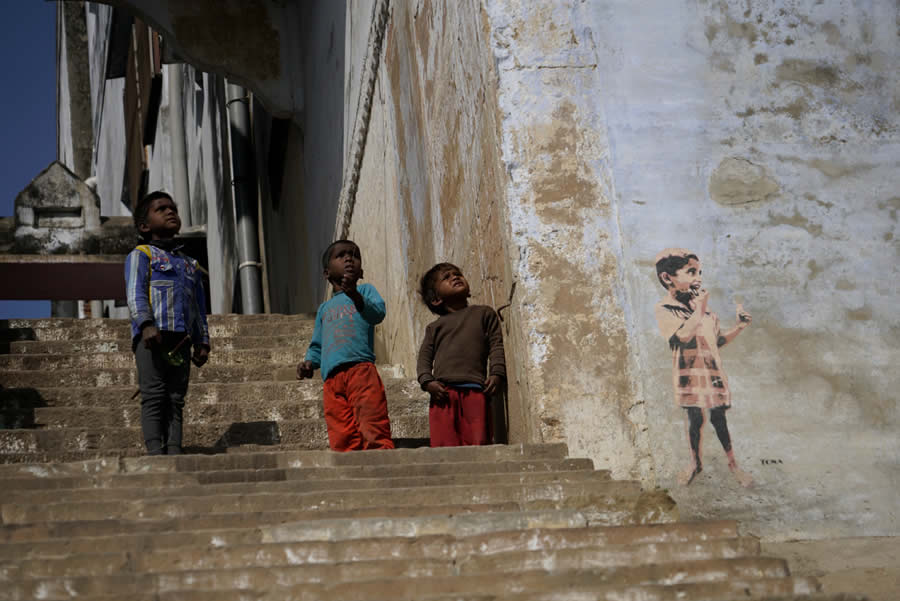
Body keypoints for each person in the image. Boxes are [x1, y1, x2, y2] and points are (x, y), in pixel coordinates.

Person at [653, 248, 753, 487]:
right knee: (695, 419)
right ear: (668, 278)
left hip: (712, 372)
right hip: (690, 374)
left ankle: (733, 464)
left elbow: (717, 342)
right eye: (691, 272)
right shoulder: (666, 309)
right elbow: (683, 336)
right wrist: (699, 308)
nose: (698, 277)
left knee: (719, 418)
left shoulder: (707, 312)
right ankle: (695, 463)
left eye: (699, 272)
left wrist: (739, 327)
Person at [125, 191, 210, 456]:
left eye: (173, 208)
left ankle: (174, 449)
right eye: (161, 209)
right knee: (153, 395)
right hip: (152, 338)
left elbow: (198, 307)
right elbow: (135, 292)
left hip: (182, 340)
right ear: (144, 226)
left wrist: (202, 340)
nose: (170, 211)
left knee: (175, 399)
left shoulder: (190, 265)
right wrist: (146, 324)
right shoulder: (141, 255)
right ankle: (154, 451)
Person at [296, 240, 394, 451]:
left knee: (372, 422)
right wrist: (309, 362)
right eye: (341, 255)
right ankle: (350, 466)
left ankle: (382, 459)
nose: (349, 258)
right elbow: (317, 344)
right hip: (331, 380)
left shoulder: (366, 291)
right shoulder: (324, 308)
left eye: (354, 255)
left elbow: (377, 314)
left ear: (362, 272)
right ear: (327, 274)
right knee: (341, 433)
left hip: (361, 371)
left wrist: (355, 295)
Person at [416, 263, 506, 447]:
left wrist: (497, 373)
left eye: (457, 274)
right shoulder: (434, 328)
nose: (455, 277)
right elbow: (424, 357)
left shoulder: (484, 314)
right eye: (446, 277)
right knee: (444, 444)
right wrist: (427, 381)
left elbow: (496, 346)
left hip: (475, 390)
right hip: (443, 394)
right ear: (436, 299)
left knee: (478, 441)